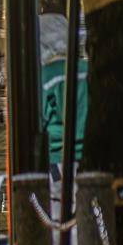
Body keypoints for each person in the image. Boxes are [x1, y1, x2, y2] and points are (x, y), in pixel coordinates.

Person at [39, 12, 87, 171]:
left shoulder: (43, 78)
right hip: (92, 153)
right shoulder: (88, 70)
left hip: (58, 157)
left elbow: (41, 121)